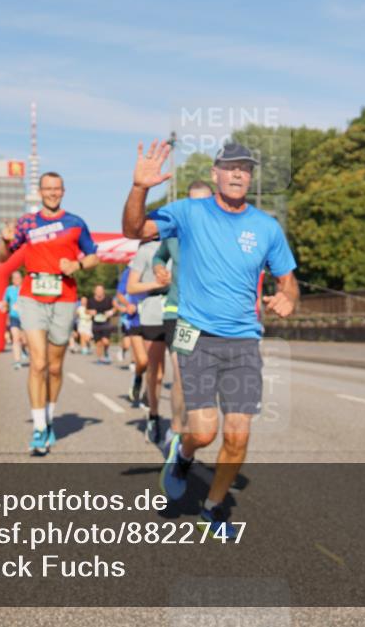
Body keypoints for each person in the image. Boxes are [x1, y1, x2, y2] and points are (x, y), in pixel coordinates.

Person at [123, 140, 299, 539]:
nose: (238, 174)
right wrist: (139, 188)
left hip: (243, 343)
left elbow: (288, 279)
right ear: (216, 173)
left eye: (245, 168)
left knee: (237, 436)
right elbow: (134, 229)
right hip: (197, 335)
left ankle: (213, 507)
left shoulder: (266, 227)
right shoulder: (188, 213)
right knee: (203, 433)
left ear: (250, 178)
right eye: (230, 167)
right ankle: (183, 454)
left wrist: (288, 296)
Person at [0, 172, 100, 454]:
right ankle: (39, 427)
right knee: (38, 363)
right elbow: (2, 258)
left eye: (57, 189)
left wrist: (77, 266)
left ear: (63, 191)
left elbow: (94, 256)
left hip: (64, 297)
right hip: (32, 296)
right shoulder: (27, 223)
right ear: (40, 192)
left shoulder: (75, 223)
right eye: (48, 189)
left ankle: (50, 418)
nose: (52, 193)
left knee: (55, 368)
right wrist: (5, 243)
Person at [152, 180, 213, 448]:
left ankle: (194, 429)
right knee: (182, 372)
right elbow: (158, 257)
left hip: (212, 316)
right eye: (193, 202)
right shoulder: (174, 234)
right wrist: (158, 269)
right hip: (180, 312)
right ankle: (176, 431)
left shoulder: (223, 234)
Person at [128, 236, 170, 442]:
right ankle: (153, 415)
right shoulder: (145, 250)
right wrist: (157, 283)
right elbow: (131, 287)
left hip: (182, 313)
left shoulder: (185, 243)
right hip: (154, 313)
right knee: (157, 372)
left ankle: (181, 427)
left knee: (183, 371)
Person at [115, 266, 147, 406]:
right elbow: (120, 294)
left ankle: (150, 398)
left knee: (155, 366)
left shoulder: (167, 264)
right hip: (136, 319)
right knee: (143, 361)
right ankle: (137, 377)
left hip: (159, 318)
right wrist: (128, 304)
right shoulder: (131, 270)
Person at [3, 271, 27, 369]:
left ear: (21, 279)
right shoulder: (9, 289)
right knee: (15, 338)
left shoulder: (26, 288)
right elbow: (5, 301)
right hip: (14, 317)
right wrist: (4, 307)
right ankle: (17, 361)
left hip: (26, 317)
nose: (16, 280)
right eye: (14, 278)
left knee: (25, 340)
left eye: (18, 278)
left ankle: (24, 349)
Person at [89, 284, 115, 363]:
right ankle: (100, 359)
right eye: (97, 290)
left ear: (103, 291)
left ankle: (106, 352)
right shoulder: (90, 300)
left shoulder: (109, 299)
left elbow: (116, 307)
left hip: (105, 324)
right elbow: (86, 310)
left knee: (105, 341)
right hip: (95, 324)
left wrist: (111, 312)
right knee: (98, 343)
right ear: (95, 291)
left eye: (101, 290)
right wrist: (90, 312)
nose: (99, 292)